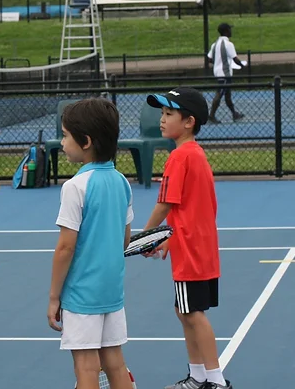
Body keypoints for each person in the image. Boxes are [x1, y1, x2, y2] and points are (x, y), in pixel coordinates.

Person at [142, 87, 229, 389]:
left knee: (192, 313)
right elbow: (190, 209)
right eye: (162, 114)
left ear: (189, 121)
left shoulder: (179, 158)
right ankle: (198, 376)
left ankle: (215, 381)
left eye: (168, 114)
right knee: (186, 311)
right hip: (197, 245)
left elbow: (165, 204)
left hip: (192, 250)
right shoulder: (196, 155)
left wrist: (144, 237)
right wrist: (168, 240)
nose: (162, 120)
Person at [47, 98, 134, 389]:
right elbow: (124, 238)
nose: (62, 142)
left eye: (65, 135)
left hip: (82, 294)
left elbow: (65, 248)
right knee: (116, 363)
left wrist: (53, 297)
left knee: (86, 368)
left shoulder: (74, 187)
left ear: (84, 141)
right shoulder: (122, 181)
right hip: (112, 291)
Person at [206, 23, 245, 124]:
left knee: (227, 95)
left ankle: (234, 113)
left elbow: (209, 59)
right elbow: (235, 59)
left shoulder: (214, 44)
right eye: (229, 29)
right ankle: (211, 115)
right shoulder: (228, 44)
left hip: (218, 72)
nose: (231, 31)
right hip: (225, 73)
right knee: (220, 93)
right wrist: (242, 65)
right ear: (226, 31)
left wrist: (218, 62)